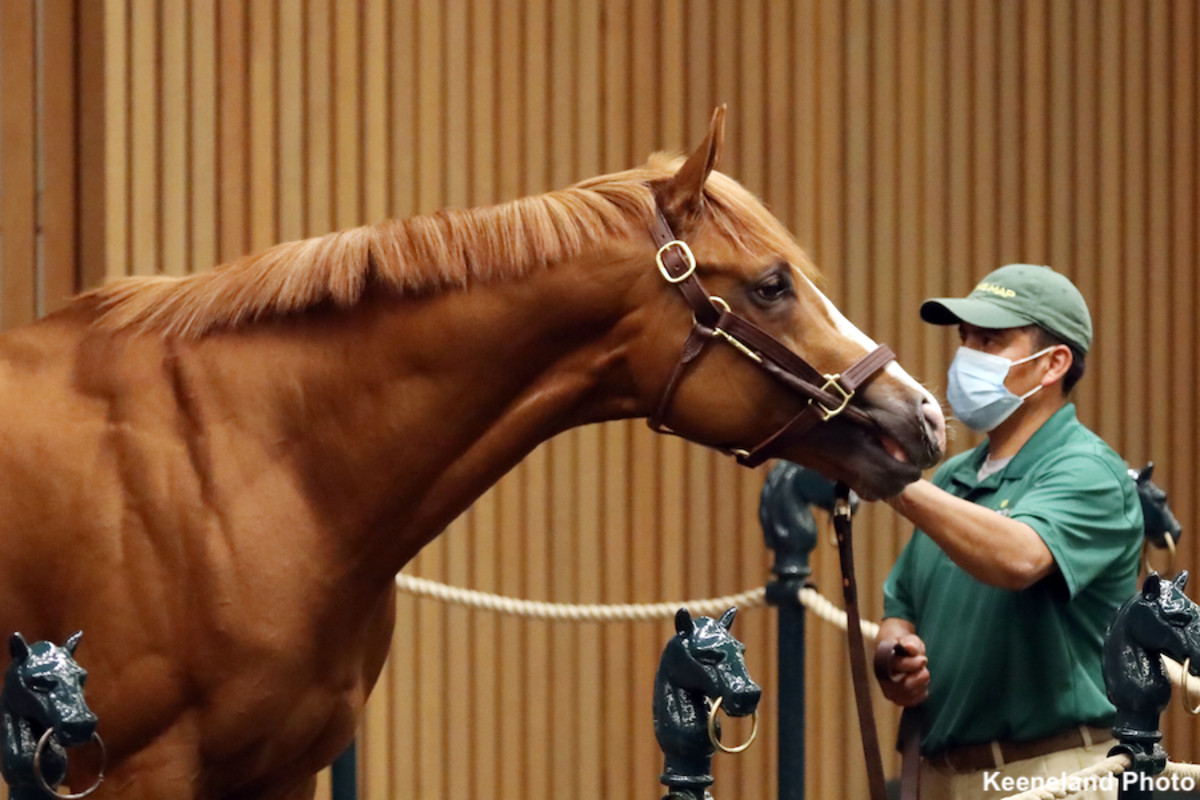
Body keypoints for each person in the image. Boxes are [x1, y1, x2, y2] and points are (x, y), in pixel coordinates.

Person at [875, 264, 1143, 800]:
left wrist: (892, 480)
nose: (967, 353)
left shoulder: (1089, 470)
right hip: (944, 774)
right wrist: (894, 656)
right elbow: (900, 607)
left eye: (991, 340)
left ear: (1053, 363)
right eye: (966, 337)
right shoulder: (954, 477)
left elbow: (1019, 558)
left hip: (1054, 771)